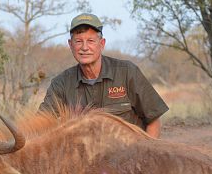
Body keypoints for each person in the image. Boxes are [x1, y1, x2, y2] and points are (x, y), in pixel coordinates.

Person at [39, 13, 169, 138]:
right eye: (78, 41)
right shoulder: (61, 83)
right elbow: (41, 122)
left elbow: (154, 120)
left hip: (130, 156)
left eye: (90, 41)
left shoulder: (127, 72)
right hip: (85, 157)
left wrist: (146, 155)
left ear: (102, 44)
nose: (84, 47)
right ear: (70, 45)